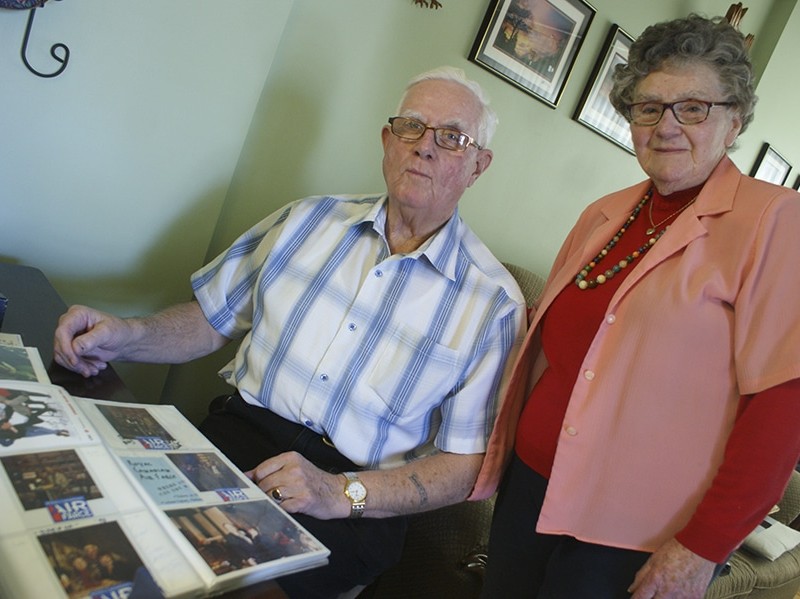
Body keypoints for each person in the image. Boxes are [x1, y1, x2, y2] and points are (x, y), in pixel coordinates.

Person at [53, 66, 526, 598]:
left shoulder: (494, 305)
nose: (425, 148)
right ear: (387, 140)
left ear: (478, 166)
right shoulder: (306, 221)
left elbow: (466, 467)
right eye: (411, 126)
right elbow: (211, 318)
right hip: (234, 440)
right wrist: (125, 334)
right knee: (95, 541)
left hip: (354, 504)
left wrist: (339, 491)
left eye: (453, 138)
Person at [473, 14, 800, 599]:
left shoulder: (776, 222)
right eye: (648, 108)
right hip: (530, 488)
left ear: (735, 121)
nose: (666, 125)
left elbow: (782, 406)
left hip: (640, 532)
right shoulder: (606, 212)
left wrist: (703, 548)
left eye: (693, 108)